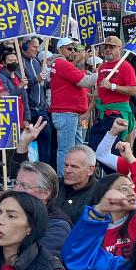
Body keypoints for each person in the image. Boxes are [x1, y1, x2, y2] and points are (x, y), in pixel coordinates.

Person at [49, 37, 94, 172]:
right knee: (67, 150)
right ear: (60, 50)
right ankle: (64, 181)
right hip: (67, 113)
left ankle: (74, 178)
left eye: (74, 49)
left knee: (76, 149)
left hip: (71, 114)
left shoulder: (61, 64)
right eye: (69, 49)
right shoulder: (62, 64)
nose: (73, 51)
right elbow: (85, 81)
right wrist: (105, 73)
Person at [87, 36, 136, 151]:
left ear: (119, 49)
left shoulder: (126, 66)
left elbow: (134, 90)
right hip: (103, 115)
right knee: (93, 146)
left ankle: (113, 169)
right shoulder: (102, 67)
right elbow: (98, 93)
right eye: (106, 46)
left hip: (117, 115)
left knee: (112, 151)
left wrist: (113, 86)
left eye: (112, 47)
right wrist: (87, 113)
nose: (107, 49)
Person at [57, 144, 98, 224]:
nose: (67, 170)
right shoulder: (56, 185)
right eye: (66, 165)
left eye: (74, 167)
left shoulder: (100, 193)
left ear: (90, 170)